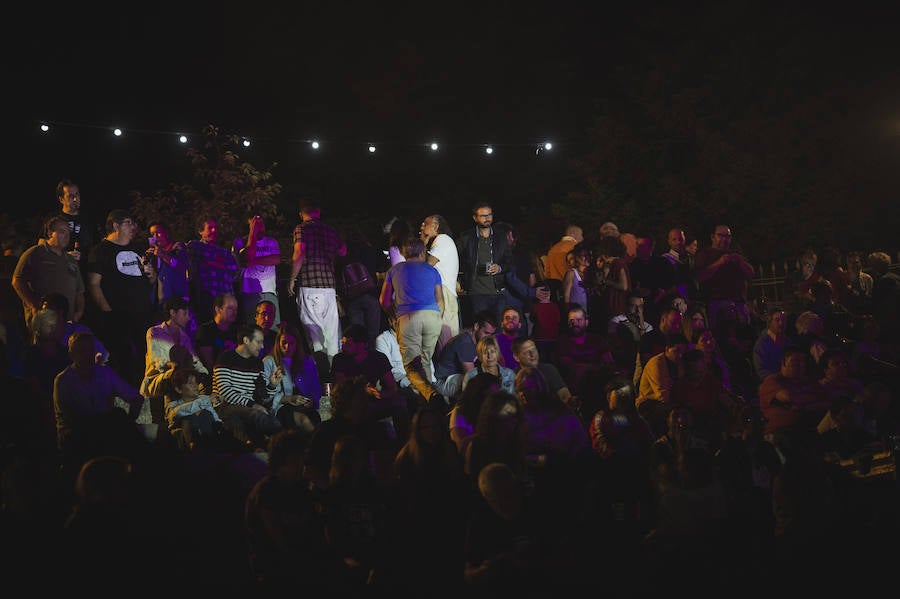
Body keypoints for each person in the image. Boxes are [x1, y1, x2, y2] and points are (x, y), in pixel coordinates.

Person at [243, 429, 333, 591]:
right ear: (281, 461)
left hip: (300, 568)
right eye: (295, 460)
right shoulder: (267, 491)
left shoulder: (302, 490)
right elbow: (279, 539)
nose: (301, 466)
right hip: (275, 573)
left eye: (302, 459)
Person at [53, 331, 147, 477]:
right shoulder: (64, 381)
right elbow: (72, 419)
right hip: (77, 434)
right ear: (72, 354)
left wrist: (131, 417)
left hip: (103, 429)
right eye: (82, 351)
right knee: (116, 419)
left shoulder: (104, 373)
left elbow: (134, 396)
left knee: (120, 422)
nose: (87, 355)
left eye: (90, 350)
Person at [85, 209, 156, 386]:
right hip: (118, 315)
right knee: (123, 360)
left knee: (145, 358)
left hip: (142, 314)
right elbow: (94, 284)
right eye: (128, 223)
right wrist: (108, 312)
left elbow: (152, 280)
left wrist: (151, 274)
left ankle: (145, 399)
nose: (133, 227)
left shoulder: (138, 248)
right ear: (115, 225)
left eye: (133, 223)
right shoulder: (101, 250)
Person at [379, 236, 445, 406]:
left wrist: (394, 315)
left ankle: (431, 396)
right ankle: (431, 406)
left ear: (403, 252)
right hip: (432, 316)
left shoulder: (394, 270)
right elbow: (440, 301)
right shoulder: (432, 271)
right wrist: (438, 318)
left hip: (408, 317)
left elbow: (384, 301)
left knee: (411, 366)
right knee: (426, 361)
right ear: (423, 252)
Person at [287, 198, 347, 367]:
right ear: (318, 212)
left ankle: (321, 377)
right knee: (332, 336)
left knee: (314, 335)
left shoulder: (301, 228)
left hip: (309, 285)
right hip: (329, 287)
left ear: (301, 214)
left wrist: (292, 279)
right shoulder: (329, 230)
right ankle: (336, 375)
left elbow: (299, 252)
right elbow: (343, 250)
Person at [212, 323, 284, 450]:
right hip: (225, 405)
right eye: (258, 342)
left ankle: (260, 448)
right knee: (258, 415)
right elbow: (225, 392)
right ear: (246, 340)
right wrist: (253, 405)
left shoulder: (257, 363)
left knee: (240, 421)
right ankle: (284, 442)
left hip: (246, 408)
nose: (262, 346)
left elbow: (263, 396)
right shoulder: (226, 358)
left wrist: (272, 385)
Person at [12, 215, 85, 329]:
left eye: (68, 233)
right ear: (50, 233)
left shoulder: (71, 260)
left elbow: (79, 291)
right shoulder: (35, 253)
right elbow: (17, 281)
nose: (66, 236)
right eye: (62, 232)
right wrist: (34, 306)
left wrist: (79, 312)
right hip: (43, 322)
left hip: (67, 323)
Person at [456, 201, 514, 325]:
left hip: (498, 292)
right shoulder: (466, 237)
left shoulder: (501, 237)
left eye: (489, 215)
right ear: (475, 218)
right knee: (482, 329)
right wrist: (460, 279)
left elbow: (510, 262)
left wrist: (500, 268)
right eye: (483, 216)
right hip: (477, 293)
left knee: (499, 328)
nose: (487, 218)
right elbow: (455, 257)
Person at [262, 321, 321, 434]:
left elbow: (315, 387)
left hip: (304, 404)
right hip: (281, 406)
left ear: (297, 343)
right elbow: (265, 396)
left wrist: (312, 399)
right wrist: (287, 399)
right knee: (304, 421)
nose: (287, 346)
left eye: (291, 343)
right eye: (284, 342)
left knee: (318, 420)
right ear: (278, 342)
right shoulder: (269, 361)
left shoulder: (306, 360)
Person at [694, 224, 755, 331]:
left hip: (738, 303)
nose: (724, 239)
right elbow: (700, 276)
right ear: (713, 237)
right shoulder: (705, 254)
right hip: (716, 303)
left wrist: (740, 261)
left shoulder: (736, 253)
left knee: (743, 333)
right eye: (720, 235)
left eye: (727, 236)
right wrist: (719, 263)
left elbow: (751, 274)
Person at [431, 310, 497, 404]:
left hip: (454, 377)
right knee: (475, 383)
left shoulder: (476, 340)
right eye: (486, 333)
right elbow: (470, 374)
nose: (488, 337)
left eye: (491, 334)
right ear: (476, 326)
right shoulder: (465, 342)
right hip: (443, 381)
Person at [186, 215, 240, 325]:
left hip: (226, 297)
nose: (214, 230)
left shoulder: (224, 251)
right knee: (208, 326)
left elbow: (234, 267)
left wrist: (211, 262)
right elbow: (196, 258)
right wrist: (221, 263)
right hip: (207, 296)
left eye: (215, 227)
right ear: (200, 231)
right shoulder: (195, 246)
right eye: (210, 228)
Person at [420, 213, 460, 353]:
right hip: (442, 294)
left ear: (436, 226)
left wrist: (422, 244)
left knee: (446, 341)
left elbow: (426, 265)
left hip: (444, 295)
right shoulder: (442, 241)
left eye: (425, 223)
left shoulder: (442, 239)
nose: (422, 226)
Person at [232, 214, 282, 327]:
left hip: (269, 291)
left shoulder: (271, 241)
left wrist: (253, 261)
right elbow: (247, 256)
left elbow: (276, 259)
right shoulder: (240, 242)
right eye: (255, 224)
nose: (259, 227)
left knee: (273, 327)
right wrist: (252, 234)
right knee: (252, 328)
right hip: (249, 292)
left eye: (261, 224)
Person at [144, 221, 190, 326]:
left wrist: (163, 255)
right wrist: (146, 262)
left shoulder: (178, 247)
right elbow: (152, 278)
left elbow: (180, 266)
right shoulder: (154, 254)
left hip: (176, 300)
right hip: (159, 303)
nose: (155, 237)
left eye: (158, 233)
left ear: (166, 233)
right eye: (152, 235)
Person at [52, 178, 96, 279]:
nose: (76, 199)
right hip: (59, 274)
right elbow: (42, 246)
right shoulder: (54, 219)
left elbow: (95, 247)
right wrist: (64, 256)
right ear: (61, 199)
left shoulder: (88, 220)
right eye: (71, 196)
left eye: (77, 194)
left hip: (84, 275)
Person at [196, 292, 239, 373]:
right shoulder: (206, 330)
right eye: (230, 308)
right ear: (218, 309)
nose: (234, 312)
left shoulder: (236, 331)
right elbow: (208, 362)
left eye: (236, 309)